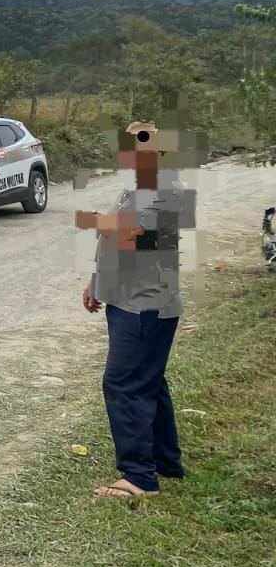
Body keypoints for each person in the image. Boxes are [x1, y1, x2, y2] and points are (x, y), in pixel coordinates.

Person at [75, 121, 196, 498]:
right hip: (130, 299)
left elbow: (150, 244)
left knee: (124, 383)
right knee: (148, 380)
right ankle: (165, 462)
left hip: (145, 304)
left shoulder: (163, 189)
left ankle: (140, 477)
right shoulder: (141, 187)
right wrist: (98, 283)